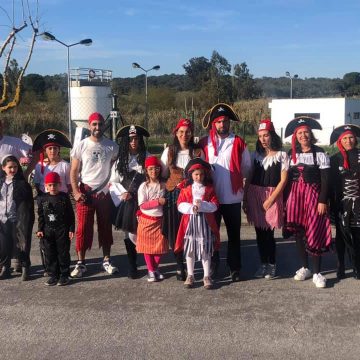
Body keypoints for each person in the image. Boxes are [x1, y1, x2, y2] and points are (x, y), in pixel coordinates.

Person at [199, 103, 251, 282]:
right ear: (214, 123)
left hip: (232, 197)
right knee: (211, 235)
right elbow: (198, 166)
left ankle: (235, 268)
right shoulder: (204, 142)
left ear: (229, 123)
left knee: (234, 235)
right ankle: (212, 267)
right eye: (219, 121)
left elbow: (246, 168)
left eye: (226, 121)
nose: (223, 125)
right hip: (212, 199)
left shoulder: (238, 142)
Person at [283, 116, 332, 288]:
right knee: (299, 233)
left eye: (306, 132)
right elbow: (287, 180)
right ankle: (305, 267)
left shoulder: (319, 153)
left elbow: (326, 180)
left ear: (311, 135)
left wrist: (322, 200)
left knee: (315, 232)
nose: (303, 136)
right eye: (300, 133)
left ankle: (317, 272)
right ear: (295, 136)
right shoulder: (290, 154)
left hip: (313, 197)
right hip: (295, 198)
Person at [70, 112, 119, 278]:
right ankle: (81, 262)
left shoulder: (112, 146)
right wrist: (76, 192)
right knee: (83, 228)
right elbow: (74, 170)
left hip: (104, 192)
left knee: (106, 227)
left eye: (100, 124)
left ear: (104, 125)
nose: (97, 127)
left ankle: (106, 260)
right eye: (94, 124)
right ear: (89, 125)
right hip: (86, 191)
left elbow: (114, 168)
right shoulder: (82, 145)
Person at [243, 119, 288, 279]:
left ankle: (272, 264)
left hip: (272, 195)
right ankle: (263, 264)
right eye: (260, 136)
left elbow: (283, 180)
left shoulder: (282, 155)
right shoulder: (254, 155)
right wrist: (245, 198)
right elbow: (248, 177)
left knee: (269, 233)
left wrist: (271, 200)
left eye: (266, 135)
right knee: (259, 233)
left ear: (272, 136)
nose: (263, 139)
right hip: (255, 195)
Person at [160, 118, 203, 281]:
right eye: (181, 132)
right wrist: (172, 186)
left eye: (187, 132)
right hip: (174, 197)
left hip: (193, 197)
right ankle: (180, 264)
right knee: (175, 231)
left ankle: (192, 265)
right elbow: (163, 175)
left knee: (192, 231)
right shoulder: (169, 151)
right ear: (176, 133)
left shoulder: (198, 152)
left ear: (192, 134)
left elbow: (203, 173)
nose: (184, 135)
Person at [109, 124, 150, 279]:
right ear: (127, 141)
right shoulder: (121, 160)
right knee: (129, 233)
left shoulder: (147, 155)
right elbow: (113, 182)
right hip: (127, 200)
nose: (134, 142)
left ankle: (150, 264)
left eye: (137, 139)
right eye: (131, 139)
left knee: (145, 231)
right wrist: (122, 193)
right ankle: (133, 265)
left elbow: (153, 176)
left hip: (144, 200)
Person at [175, 158, 220, 289]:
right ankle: (190, 275)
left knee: (205, 248)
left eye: (201, 174)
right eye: (196, 174)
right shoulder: (186, 190)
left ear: (204, 175)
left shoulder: (209, 189)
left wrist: (203, 206)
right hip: (190, 223)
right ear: (191, 175)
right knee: (190, 249)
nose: (198, 177)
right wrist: (190, 208)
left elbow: (215, 204)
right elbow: (180, 204)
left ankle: (206, 276)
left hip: (205, 223)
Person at [329, 124, 360, 280]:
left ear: (355, 139)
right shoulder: (334, 159)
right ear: (340, 141)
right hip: (340, 204)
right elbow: (329, 183)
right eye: (345, 138)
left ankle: (357, 266)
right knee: (341, 237)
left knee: (357, 235)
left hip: (359, 204)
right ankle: (340, 265)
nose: (349, 141)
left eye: (351, 137)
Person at [36, 172, 75, 286]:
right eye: (50, 185)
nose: (53, 187)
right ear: (46, 186)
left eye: (55, 185)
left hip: (62, 229)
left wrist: (71, 229)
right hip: (48, 230)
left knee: (63, 253)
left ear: (59, 185)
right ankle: (54, 275)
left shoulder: (64, 197)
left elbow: (70, 215)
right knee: (50, 253)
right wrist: (40, 229)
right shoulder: (42, 198)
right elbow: (41, 216)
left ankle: (64, 275)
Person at [0, 155, 34, 280]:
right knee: (4, 244)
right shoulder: (1, 182)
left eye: (15, 167)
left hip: (18, 219)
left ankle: (25, 267)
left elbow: (28, 204)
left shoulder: (22, 183)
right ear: (3, 168)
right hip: (2, 218)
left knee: (21, 243)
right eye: (10, 167)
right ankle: (5, 268)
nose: (13, 169)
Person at [136, 156, 169, 282]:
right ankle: (151, 270)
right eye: (150, 169)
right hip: (146, 220)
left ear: (160, 170)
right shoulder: (143, 187)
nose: (153, 171)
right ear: (146, 171)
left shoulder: (163, 186)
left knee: (159, 248)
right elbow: (142, 205)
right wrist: (157, 202)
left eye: (156, 169)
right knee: (147, 248)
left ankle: (155, 268)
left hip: (159, 221)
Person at [33, 129, 72, 196]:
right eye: (50, 148)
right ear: (45, 150)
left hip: (61, 197)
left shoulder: (65, 165)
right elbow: (37, 183)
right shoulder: (39, 165)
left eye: (55, 148)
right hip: (45, 197)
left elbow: (69, 185)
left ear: (59, 150)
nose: (53, 151)